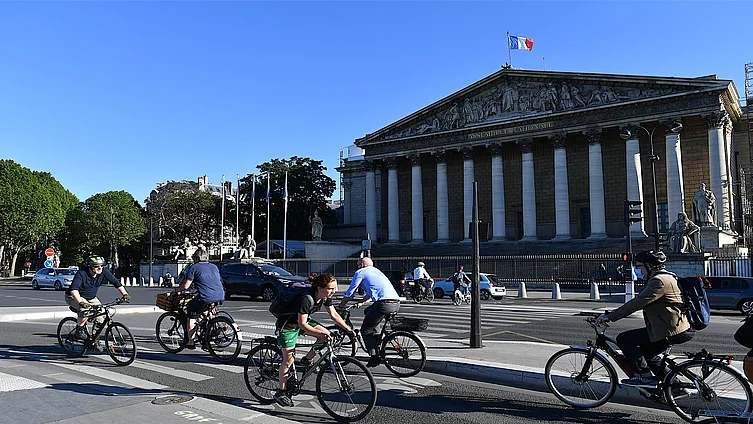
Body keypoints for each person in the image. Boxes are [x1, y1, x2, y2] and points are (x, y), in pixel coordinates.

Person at [596, 250, 693, 387]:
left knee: (624, 339)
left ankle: (643, 376)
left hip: (670, 329)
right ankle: (674, 386)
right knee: (649, 355)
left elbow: (637, 303)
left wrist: (609, 317)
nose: (637, 270)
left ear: (650, 266)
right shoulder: (668, 276)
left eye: (639, 266)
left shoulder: (658, 281)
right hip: (676, 326)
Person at [274, 273, 352, 407]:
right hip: (287, 325)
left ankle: (307, 360)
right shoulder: (307, 298)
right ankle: (281, 391)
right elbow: (302, 324)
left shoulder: (325, 297)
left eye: (335, 288)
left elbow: (333, 315)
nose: (334, 291)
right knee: (288, 360)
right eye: (331, 288)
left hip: (300, 321)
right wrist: (319, 335)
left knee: (327, 335)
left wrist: (348, 329)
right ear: (320, 288)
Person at [339, 257, 401, 368]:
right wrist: (362, 302)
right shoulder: (377, 271)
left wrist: (341, 305)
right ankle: (376, 341)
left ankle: (374, 356)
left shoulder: (360, 272)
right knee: (368, 311)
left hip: (383, 304)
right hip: (396, 303)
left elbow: (350, 292)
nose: (357, 267)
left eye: (358, 265)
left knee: (366, 330)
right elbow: (373, 290)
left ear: (362, 265)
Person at [66, 255, 131, 341]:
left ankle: (94, 338)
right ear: (89, 266)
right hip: (74, 296)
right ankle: (79, 330)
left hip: (91, 298)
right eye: (96, 266)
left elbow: (116, 283)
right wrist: (81, 303)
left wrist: (125, 294)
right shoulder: (81, 273)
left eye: (101, 266)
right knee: (85, 310)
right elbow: (74, 290)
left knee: (101, 316)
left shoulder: (104, 272)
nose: (100, 268)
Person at [172, 248, 224, 350]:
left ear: (197, 258)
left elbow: (186, 286)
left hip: (205, 297)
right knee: (204, 310)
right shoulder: (214, 267)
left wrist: (176, 291)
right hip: (220, 295)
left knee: (191, 314)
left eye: (193, 258)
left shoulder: (194, 267)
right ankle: (212, 328)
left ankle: (190, 342)